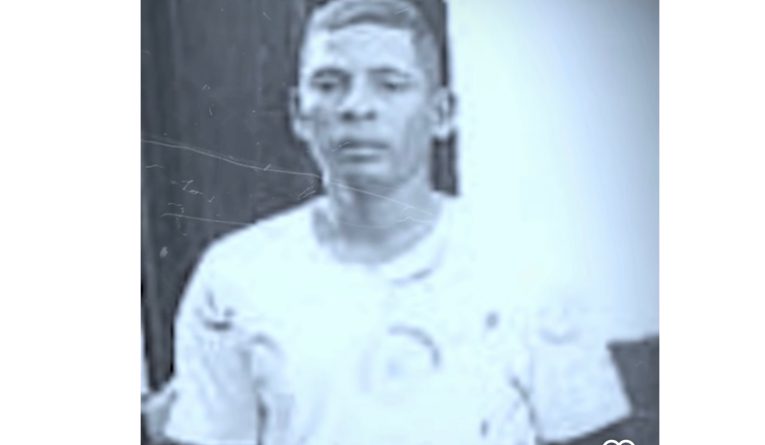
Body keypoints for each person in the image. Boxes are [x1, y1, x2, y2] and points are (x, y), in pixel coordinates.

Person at [155, 0, 631, 444]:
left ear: (441, 113)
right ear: (299, 113)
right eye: (329, 84)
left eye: (389, 83)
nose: (356, 107)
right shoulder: (235, 279)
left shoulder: (523, 267)